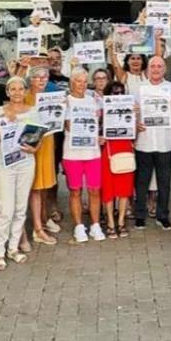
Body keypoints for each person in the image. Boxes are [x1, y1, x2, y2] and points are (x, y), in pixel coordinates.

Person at [0, 76, 39, 269]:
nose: (17, 92)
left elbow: (38, 138)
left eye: (21, 89)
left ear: (26, 91)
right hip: (5, 164)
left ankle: (13, 248)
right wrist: (2, 124)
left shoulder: (33, 111)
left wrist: (35, 148)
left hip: (26, 162)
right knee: (6, 210)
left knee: (20, 208)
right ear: (8, 92)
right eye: (13, 89)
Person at [134, 56, 171, 230]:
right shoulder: (139, 88)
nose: (155, 69)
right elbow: (130, 112)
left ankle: (162, 215)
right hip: (144, 142)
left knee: (164, 182)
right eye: (153, 66)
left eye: (159, 66)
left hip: (164, 142)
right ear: (148, 69)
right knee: (141, 182)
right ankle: (140, 215)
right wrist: (134, 121)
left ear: (164, 69)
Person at [63, 68, 106, 243]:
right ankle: (79, 226)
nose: (81, 84)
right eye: (77, 81)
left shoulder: (93, 100)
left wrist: (101, 135)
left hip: (92, 152)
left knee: (94, 190)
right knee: (75, 190)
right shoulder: (66, 101)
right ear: (71, 83)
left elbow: (103, 121)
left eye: (83, 81)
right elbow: (67, 126)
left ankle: (95, 225)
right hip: (72, 153)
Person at [24, 66, 62, 244]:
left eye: (44, 77)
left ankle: (44, 218)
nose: (41, 80)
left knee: (45, 184)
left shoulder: (50, 97)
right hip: (31, 147)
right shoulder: (25, 97)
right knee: (35, 188)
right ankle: (37, 229)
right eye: (37, 77)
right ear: (30, 79)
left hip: (47, 144)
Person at [100, 80, 135, 239]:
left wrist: (136, 114)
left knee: (124, 188)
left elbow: (136, 131)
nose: (118, 95)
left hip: (125, 147)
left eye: (121, 92)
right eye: (114, 92)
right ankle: (110, 222)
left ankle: (121, 221)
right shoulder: (100, 110)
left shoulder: (131, 109)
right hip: (108, 150)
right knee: (108, 187)